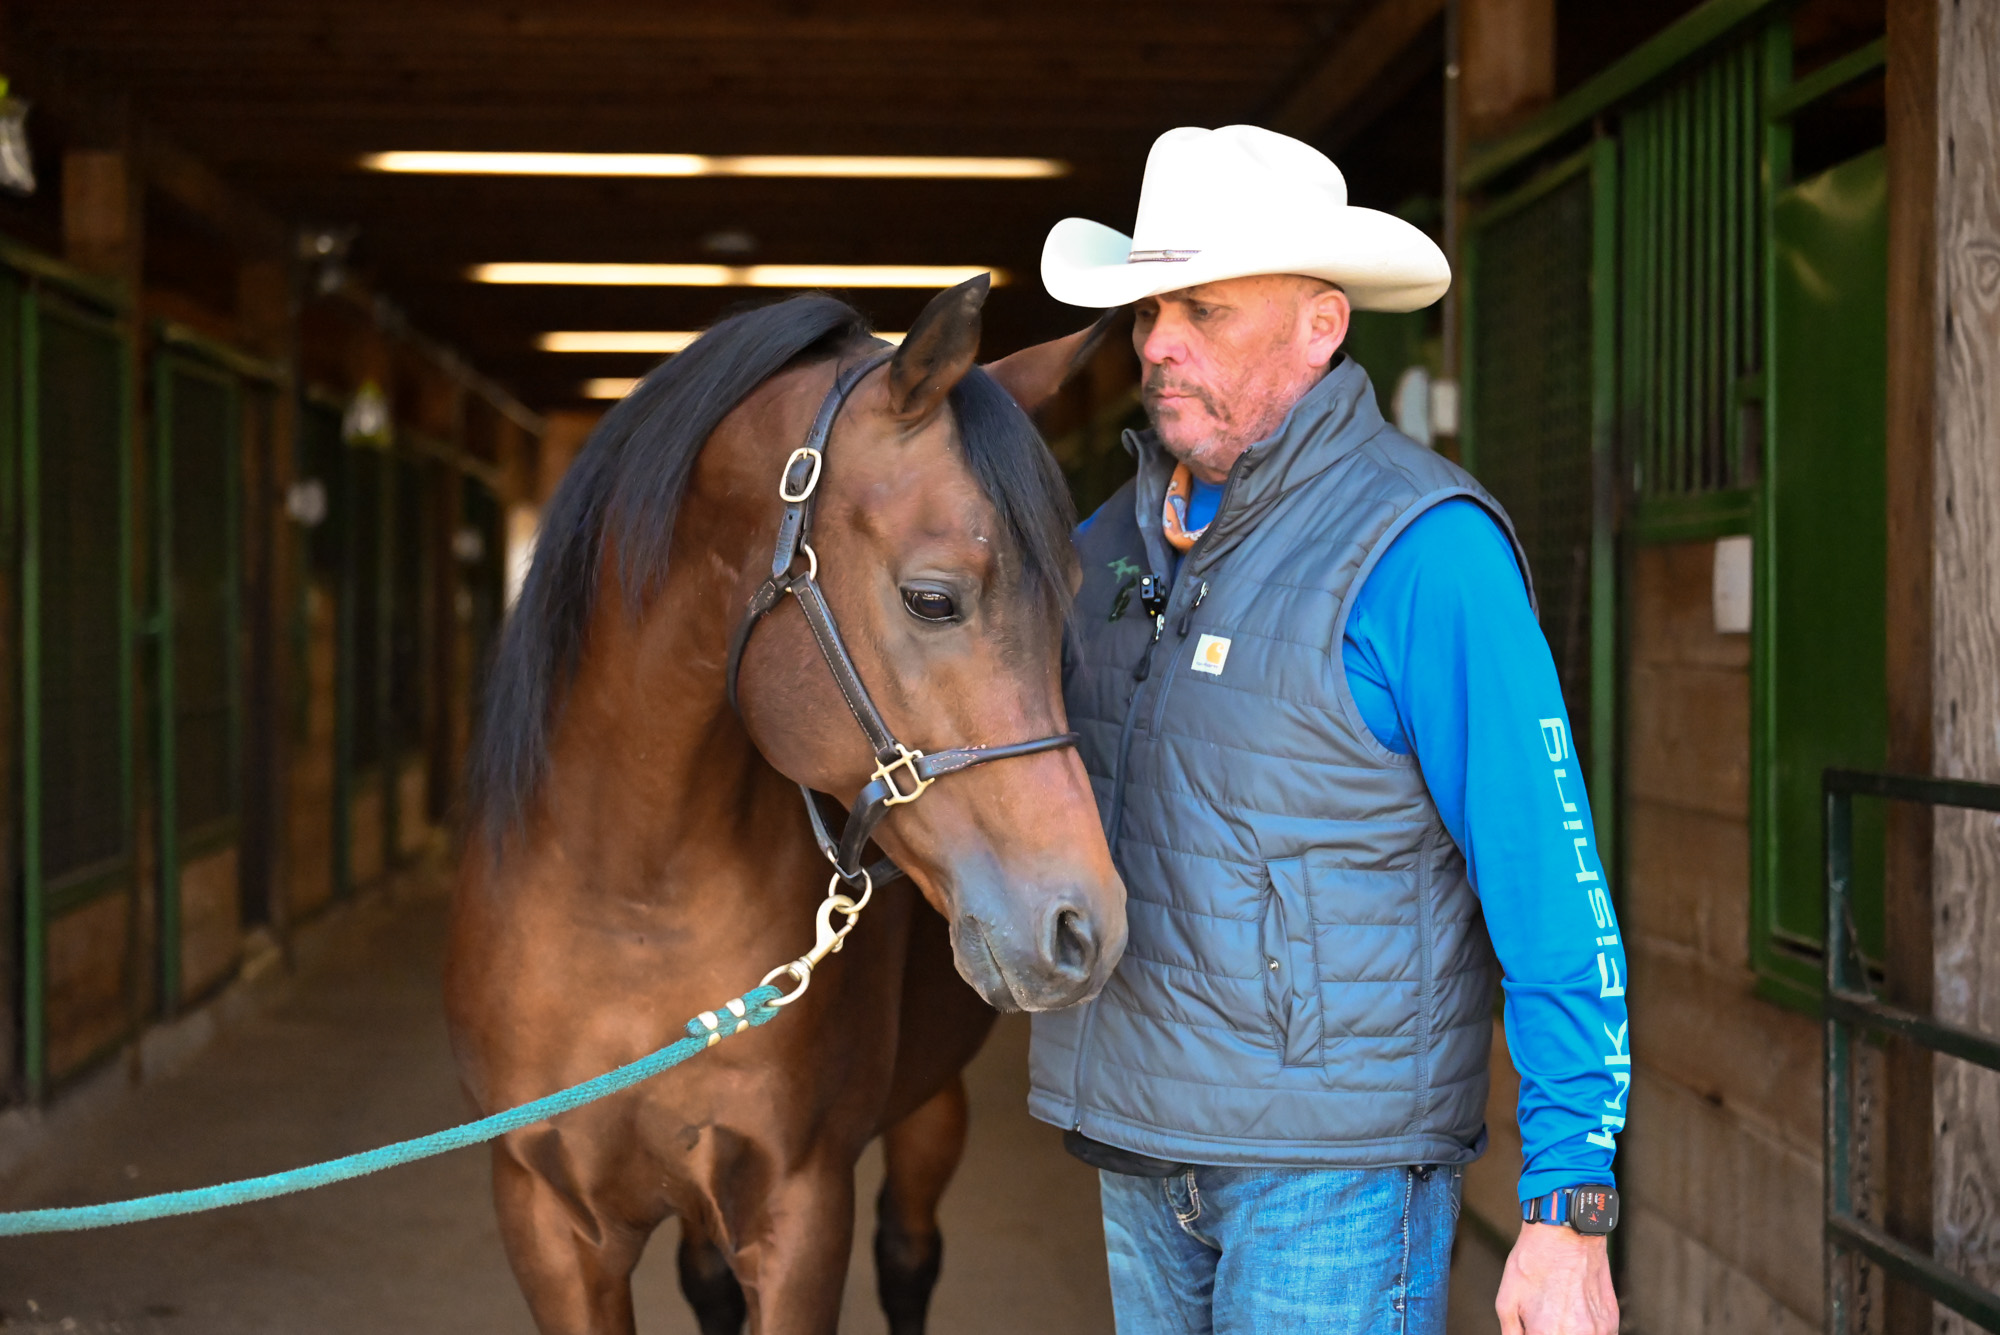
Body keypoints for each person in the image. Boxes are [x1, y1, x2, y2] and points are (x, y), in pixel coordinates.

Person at [1029, 124, 1628, 1335]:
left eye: (1201, 309)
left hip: (1334, 1174)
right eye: (1149, 313)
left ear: (1319, 324)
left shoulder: (1424, 551)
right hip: (1139, 1146)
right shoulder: (1096, 553)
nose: (1157, 344)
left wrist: (1567, 1203)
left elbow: (1547, 880)